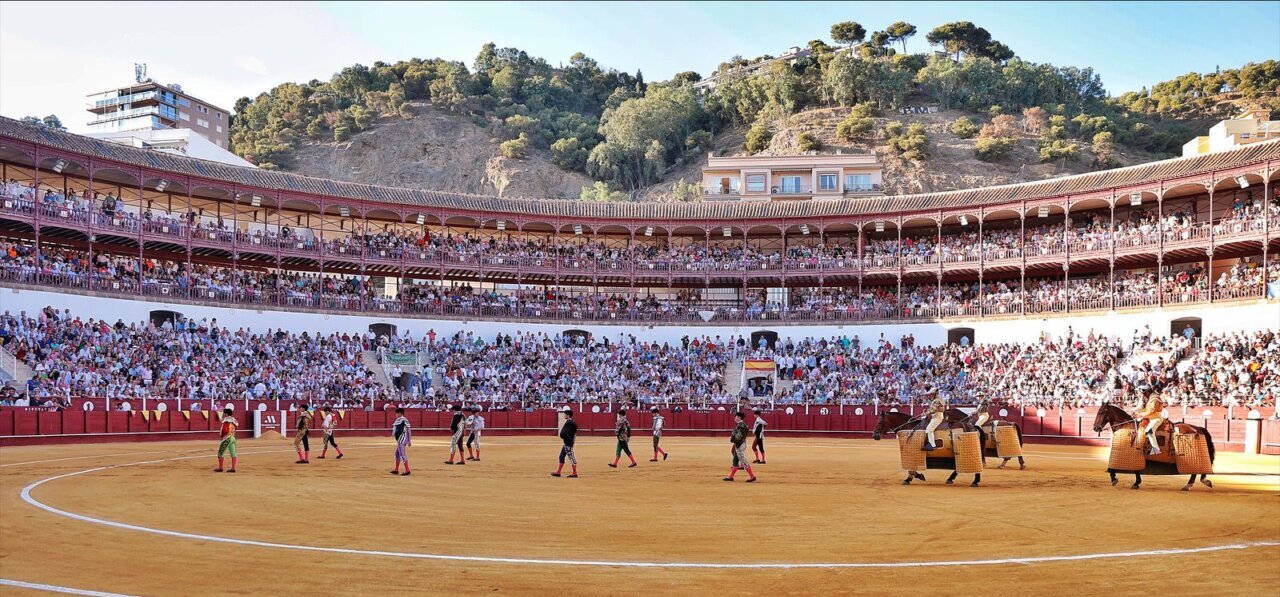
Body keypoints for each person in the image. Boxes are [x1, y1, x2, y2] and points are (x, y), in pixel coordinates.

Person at [724, 411, 757, 482]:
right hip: (740, 444)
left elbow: (738, 437)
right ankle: (730, 477)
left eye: (735, 416)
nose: (734, 418)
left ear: (739, 417)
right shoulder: (743, 425)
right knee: (735, 461)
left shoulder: (740, 426)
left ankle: (752, 476)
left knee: (744, 461)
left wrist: (733, 439)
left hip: (740, 445)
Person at [1133, 391, 1167, 455]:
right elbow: (1147, 410)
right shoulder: (1151, 399)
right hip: (1151, 419)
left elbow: (1152, 411)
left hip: (1156, 419)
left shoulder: (1155, 400)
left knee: (1149, 431)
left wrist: (1140, 414)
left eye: (1144, 394)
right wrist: (1137, 412)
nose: (1144, 396)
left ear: (1148, 393)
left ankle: (1156, 449)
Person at [551, 406, 578, 478]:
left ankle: (574, 473)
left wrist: (565, 437)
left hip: (568, 443)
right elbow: (574, 434)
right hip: (567, 443)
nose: (564, 415)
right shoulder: (572, 423)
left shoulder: (569, 423)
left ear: (568, 415)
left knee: (571, 458)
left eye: (565, 414)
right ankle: (558, 472)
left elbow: (565, 433)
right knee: (561, 456)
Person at [214, 406, 238, 473]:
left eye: (224, 413)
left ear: (226, 414)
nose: (223, 414)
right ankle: (233, 468)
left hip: (227, 438)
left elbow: (222, 422)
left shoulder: (226, 419)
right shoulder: (234, 419)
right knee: (233, 453)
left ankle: (220, 468)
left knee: (220, 453)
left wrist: (223, 436)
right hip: (233, 438)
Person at [390, 407, 412, 475]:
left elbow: (396, 430)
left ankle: (407, 470)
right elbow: (409, 430)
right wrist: (409, 440)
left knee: (402, 454)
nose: (395, 415)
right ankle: (396, 469)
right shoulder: (405, 420)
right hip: (403, 439)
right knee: (397, 453)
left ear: (400, 413)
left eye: (396, 413)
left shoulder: (401, 419)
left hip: (401, 440)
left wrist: (409, 440)